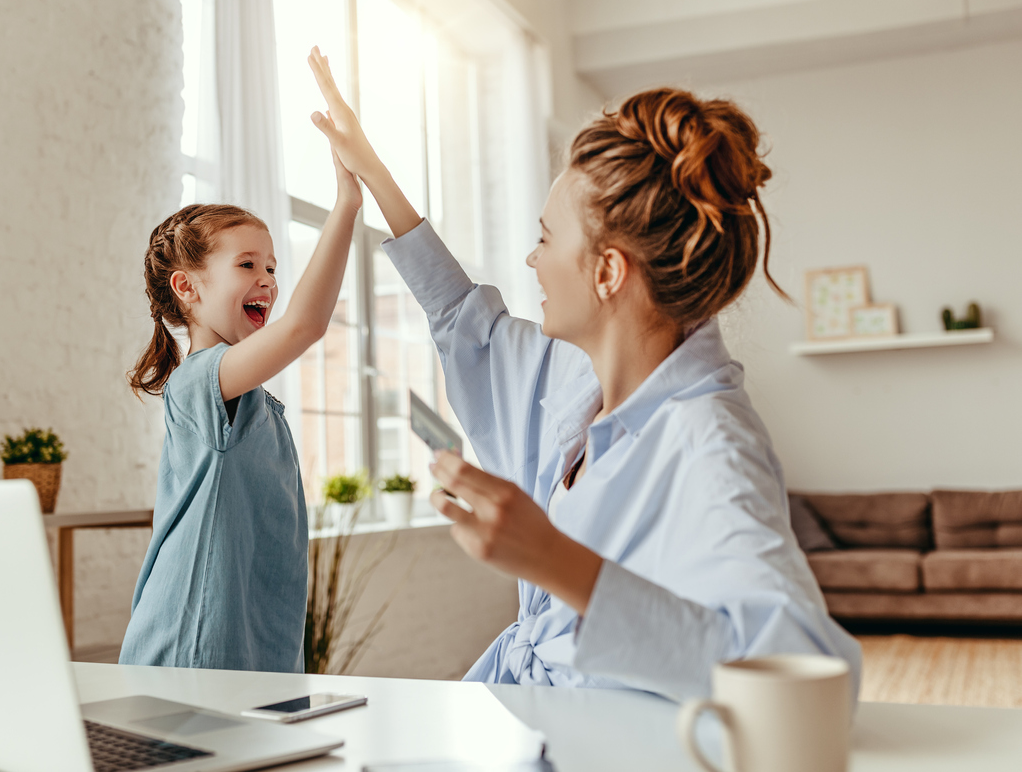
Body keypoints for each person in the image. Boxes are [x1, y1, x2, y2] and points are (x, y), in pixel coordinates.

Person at [307, 49, 861, 701]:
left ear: (607, 272)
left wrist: (551, 557)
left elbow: (801, 670)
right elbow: (464, 320)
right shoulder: (573, 378)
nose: (531, 259)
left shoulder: (711, 442)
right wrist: (374, 173)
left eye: (545, 237)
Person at [118, 130, 362, 672]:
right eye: (247, 265)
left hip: (252, 647)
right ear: (188, 287)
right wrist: (347, 204)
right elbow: (305, 326)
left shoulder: (250, 397)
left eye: (272, 267)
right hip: (195, 641)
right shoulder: (198, 383)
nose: (268, 281)